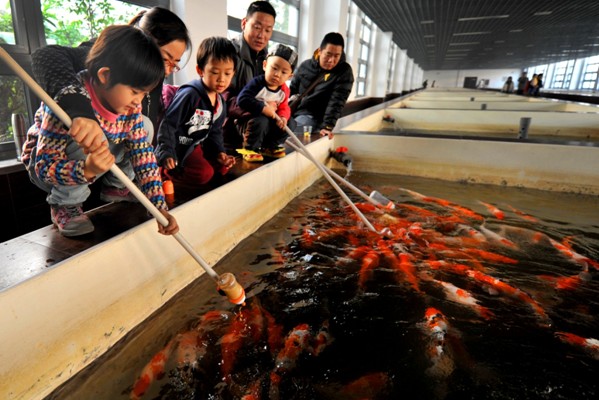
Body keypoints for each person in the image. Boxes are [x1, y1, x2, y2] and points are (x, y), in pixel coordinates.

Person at [25, 25, 178, 238]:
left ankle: (117, 187)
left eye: (144, 93)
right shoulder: (66, 103)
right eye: (135, 91)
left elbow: (144, 157)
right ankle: (65, 204)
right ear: (105, 75)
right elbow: (43, 168)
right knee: (89, 135)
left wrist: (158, 206)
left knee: (144, 126)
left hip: (93, 162)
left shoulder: (131, 107)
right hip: (47, 167)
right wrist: (86, 169)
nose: (138, 101)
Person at [29, 7, 191, 157]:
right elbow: (44, 56)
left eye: (174, 64)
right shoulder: (111, 54)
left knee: (144, 127)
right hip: (57, 154)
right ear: (144, 40)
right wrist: (80, 111)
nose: (168, 71)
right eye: (164, 59)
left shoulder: (152, 81)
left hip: (105, 161)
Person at [155, 37, 238, 188]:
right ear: (200, 70)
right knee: (204, 174)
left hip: (197, 145)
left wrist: (220, 153)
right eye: (214, 72)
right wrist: (166, 153)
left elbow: (215, 133)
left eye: (227, 74)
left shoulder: (220, 102)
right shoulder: (190, 95)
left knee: (223, 167)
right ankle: (166, 172)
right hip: (180, 147)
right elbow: (168, 124)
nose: (221, 79)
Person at [223, 1, 277, 149]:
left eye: (268, 30)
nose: (262, 36)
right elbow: (223, 98)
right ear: (244, 23)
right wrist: (260, 107)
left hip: (258, 123)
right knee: (261, 121)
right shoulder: (229, 53)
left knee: (288, 121)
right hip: (231, 127)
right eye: (257, 27)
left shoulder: (269, 60)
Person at [236, 44, 298, 162]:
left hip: (269, 123)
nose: (277, 74)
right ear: (265, 65)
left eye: (283, 72)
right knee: (262, 120)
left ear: (290, 76)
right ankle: (250, 148)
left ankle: (269, 146)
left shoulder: (284, 90)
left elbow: (284, 107)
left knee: (290, 123)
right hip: (248, 122)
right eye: (274, 68)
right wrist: (262, 108)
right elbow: (242, 99)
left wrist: (283, 117)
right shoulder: (257, 83)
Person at [289, 32, 354, 140]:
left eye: (336, 56)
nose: (331, 60)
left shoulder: (344, 72)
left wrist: (327, 126)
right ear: (319, 51)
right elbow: (291, 91)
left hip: (314, 118)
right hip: (292, 113)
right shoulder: (305, 66)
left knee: (291, 130)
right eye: (328, 54)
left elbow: (337, 102)